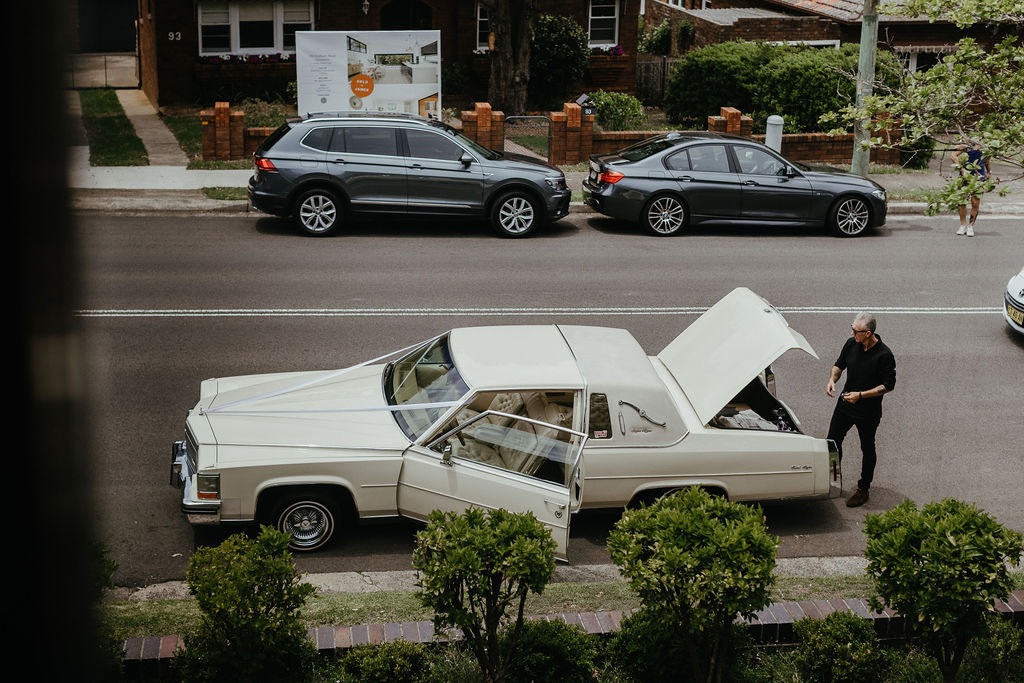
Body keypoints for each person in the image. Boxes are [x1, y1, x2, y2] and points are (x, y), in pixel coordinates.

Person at [826, 313, 896, 507]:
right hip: (845, 404)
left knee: (867, 447)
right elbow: (839, 365)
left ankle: (863, 488)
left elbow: (888, 385)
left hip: (868, 411)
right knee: (832, 442)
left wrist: (861, 395)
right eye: (852, 329)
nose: (852, 333)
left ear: (868, 333)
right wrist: (833, 380)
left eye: (856, 331)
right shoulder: (851, 344)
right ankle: (833, 480)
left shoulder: (884, 355)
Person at [951, 143, 992, 237]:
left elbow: (987, 160)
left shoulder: (987, 145)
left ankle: (970, 226)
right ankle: (962, 225)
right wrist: (962, 170)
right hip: (965, 176)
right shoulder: (966, 145)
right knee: (962, 201)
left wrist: (989, 171)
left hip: (979, 176)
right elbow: (953, 155)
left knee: (975, 202)